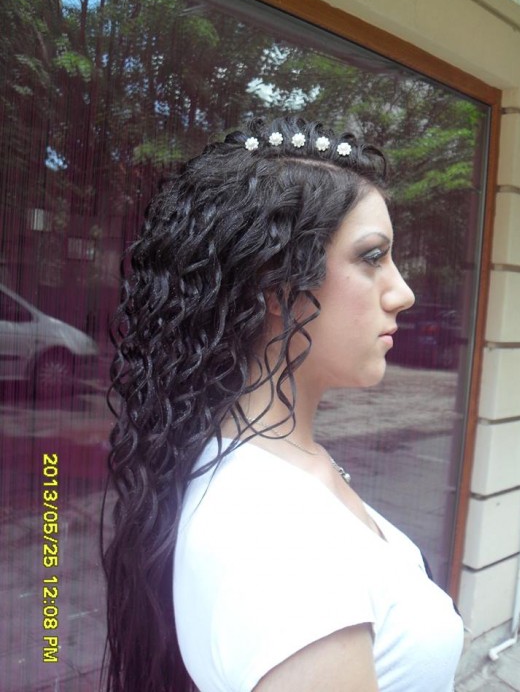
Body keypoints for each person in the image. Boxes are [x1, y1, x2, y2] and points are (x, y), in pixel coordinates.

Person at [103, 116, 464, 692]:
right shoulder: (276, 544)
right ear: (276, 283)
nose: (403, 292)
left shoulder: (272, 464)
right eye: (372, 257)